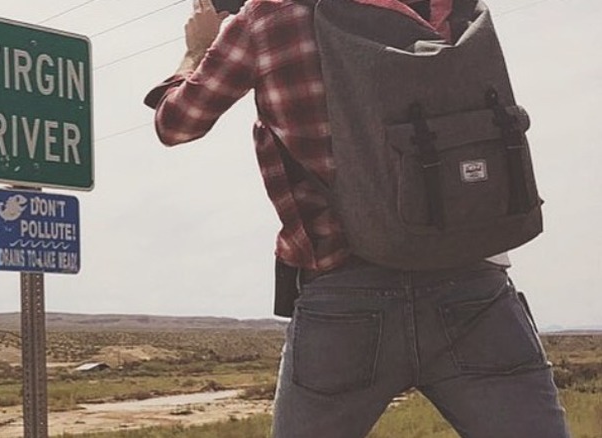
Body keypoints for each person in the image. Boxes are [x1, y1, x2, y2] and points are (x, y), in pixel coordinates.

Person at [143, 0, 570, 437]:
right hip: (472, 287)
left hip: (342, 296)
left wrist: (197, 50)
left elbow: (176, 123)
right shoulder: (447, 7)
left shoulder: (267, 18)